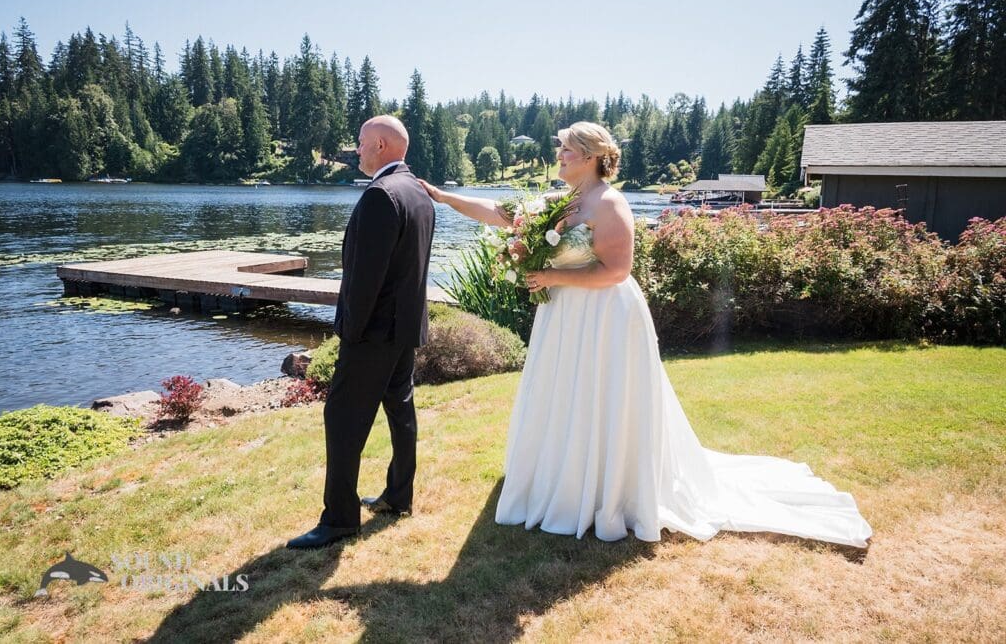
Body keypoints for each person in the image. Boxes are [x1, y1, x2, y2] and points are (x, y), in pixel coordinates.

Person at [419, 121, 872, 547]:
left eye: (567, 150)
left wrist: (553, 277)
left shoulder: (609, 203)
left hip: (604, 316)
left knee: (604, 394)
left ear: (591, 157)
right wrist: (442, 196)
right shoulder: (560, 201)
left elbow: (617, 271)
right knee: (568, 393)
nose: (559, 155)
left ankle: (610, 488)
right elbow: (499, 214)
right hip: (564, 316)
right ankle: (564, 477)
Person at [288, 115, 435, 549]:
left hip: (372, 332)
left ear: (382, 146)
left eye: (361, 142)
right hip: (403, 328)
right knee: (400, 410)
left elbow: (365, 277)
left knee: (342, 418)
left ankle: (339, 520)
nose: (356, 149)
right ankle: (398, 495)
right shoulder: (418, 192)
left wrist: (348, 333)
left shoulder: (380, 195)